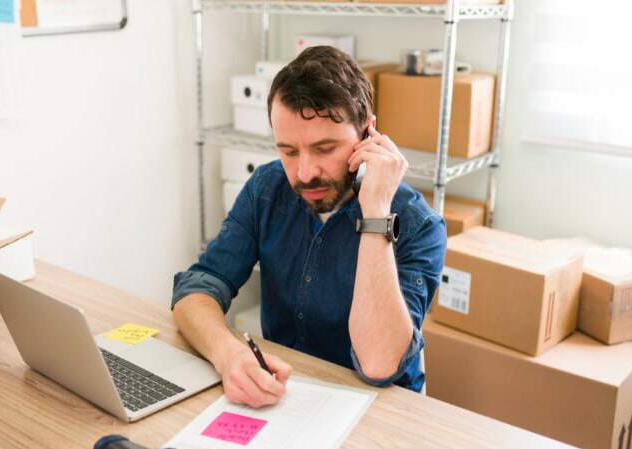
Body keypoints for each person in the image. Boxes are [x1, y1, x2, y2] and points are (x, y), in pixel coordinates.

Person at [172, 46, 446, 408]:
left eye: (324, 148)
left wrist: (375, 212)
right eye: (288, 151)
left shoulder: (417, 224)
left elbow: (379, 365)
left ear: (368, 135)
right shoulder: (266, 190)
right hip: (288, 398)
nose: (304, 173)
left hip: (382, 413)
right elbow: (196, 290)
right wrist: (229, 355)